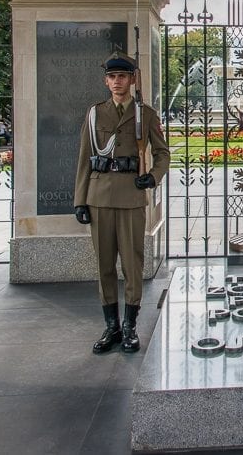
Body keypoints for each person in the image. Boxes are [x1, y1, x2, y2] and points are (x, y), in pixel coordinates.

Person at [74, 52, 170, 354]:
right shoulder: (94, 114)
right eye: (113, 77)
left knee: (132, 263)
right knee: (104, 265)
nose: (118, 82)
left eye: (123, 76)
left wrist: (152, 177)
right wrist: (80, 200)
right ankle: (111, 327)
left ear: (132, 80)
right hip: (99, 197)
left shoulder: (146, 114)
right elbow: (84, 159)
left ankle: (130, 327)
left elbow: (163, 154)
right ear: (106, 81)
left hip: (131, 196)